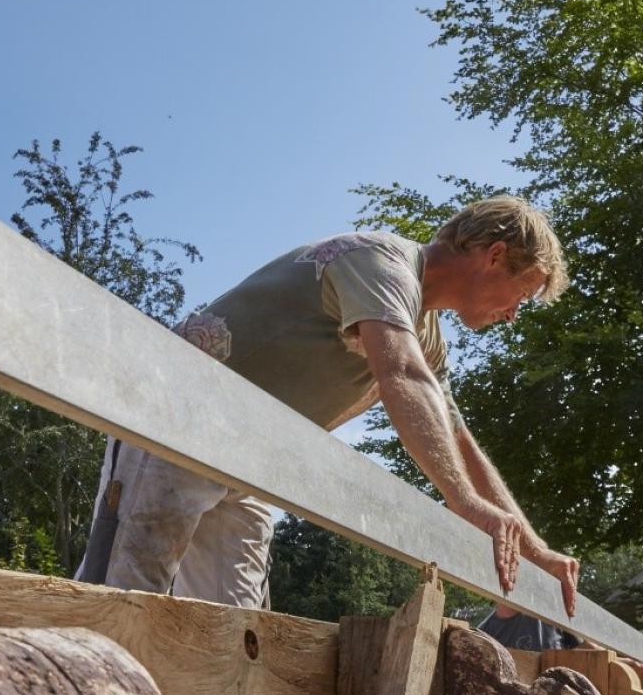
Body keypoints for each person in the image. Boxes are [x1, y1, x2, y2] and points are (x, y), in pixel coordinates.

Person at [75, 196, 580, 615]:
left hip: (247, 469)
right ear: (494, 255)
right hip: (177, 423)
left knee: (234, 629)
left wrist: (534, 550)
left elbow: (458, 439)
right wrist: (466, 505)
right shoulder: (378, 261)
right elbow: (400, 373)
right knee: (123, 599)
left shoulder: (427, 335)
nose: (514, 314)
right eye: (523, 293)